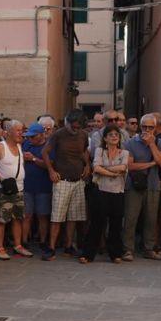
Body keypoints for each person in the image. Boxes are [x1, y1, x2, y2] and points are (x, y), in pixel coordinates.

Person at [42, 110, 90, 260]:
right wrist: (51, 170)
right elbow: (45, 152)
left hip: (78, 180)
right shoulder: (58, 134)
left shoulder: (83, 134)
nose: (76, 130)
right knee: (57, 217)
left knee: (73, 217)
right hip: (62, 180)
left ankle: (69, 246)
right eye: (73, 127)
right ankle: (51, 248)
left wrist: (87, 165)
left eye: (78, 127)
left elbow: (83, 151)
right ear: (67, 122)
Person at [79, 125, 130, 264]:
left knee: (116, 224)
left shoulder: (124, 153)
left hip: (117, 192)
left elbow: (123, 167)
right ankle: (88, 254)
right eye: (111, 134)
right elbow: (96, 168)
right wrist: (113, 172)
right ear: (105, 138)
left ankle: (115, 254)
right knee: (96, 223)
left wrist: (104, 168)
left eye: (116, 135)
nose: (114, 137)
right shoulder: (100, 151)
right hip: (101, 191)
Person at [0, 120, 31, 260]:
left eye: (21, 130)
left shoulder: (19, 146)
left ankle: (18, 245)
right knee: (1, 219)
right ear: (8, 132)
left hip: (19, 188)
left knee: (18, 218)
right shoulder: (0, 147)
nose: (21, 133)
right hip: (4, 189)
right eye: (18, 130)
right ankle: (0, 248)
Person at [123, 113, 161, 261]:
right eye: (144, 127)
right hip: (134, 185)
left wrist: (152, 144)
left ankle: (149, 248)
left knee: (151, 219)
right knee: (131, 218)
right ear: (139, 127)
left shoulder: (159, 143)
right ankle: (128, 249)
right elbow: (130, 165)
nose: (147, 130)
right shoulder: (130, 143)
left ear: (155, 128)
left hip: (153, 185)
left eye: (151, 127)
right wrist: (150, 164)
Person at [22, 122, 52, 252]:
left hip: (43, 186)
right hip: (27, 186)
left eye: (33, 137)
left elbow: (50, 165)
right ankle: (24, 241)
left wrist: (33, 159)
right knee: (26, 215)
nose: (30, 139)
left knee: (42, 215)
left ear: (41, 135)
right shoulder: (27, 144)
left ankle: (43, 241)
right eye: (29, 136)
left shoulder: (49, 146)